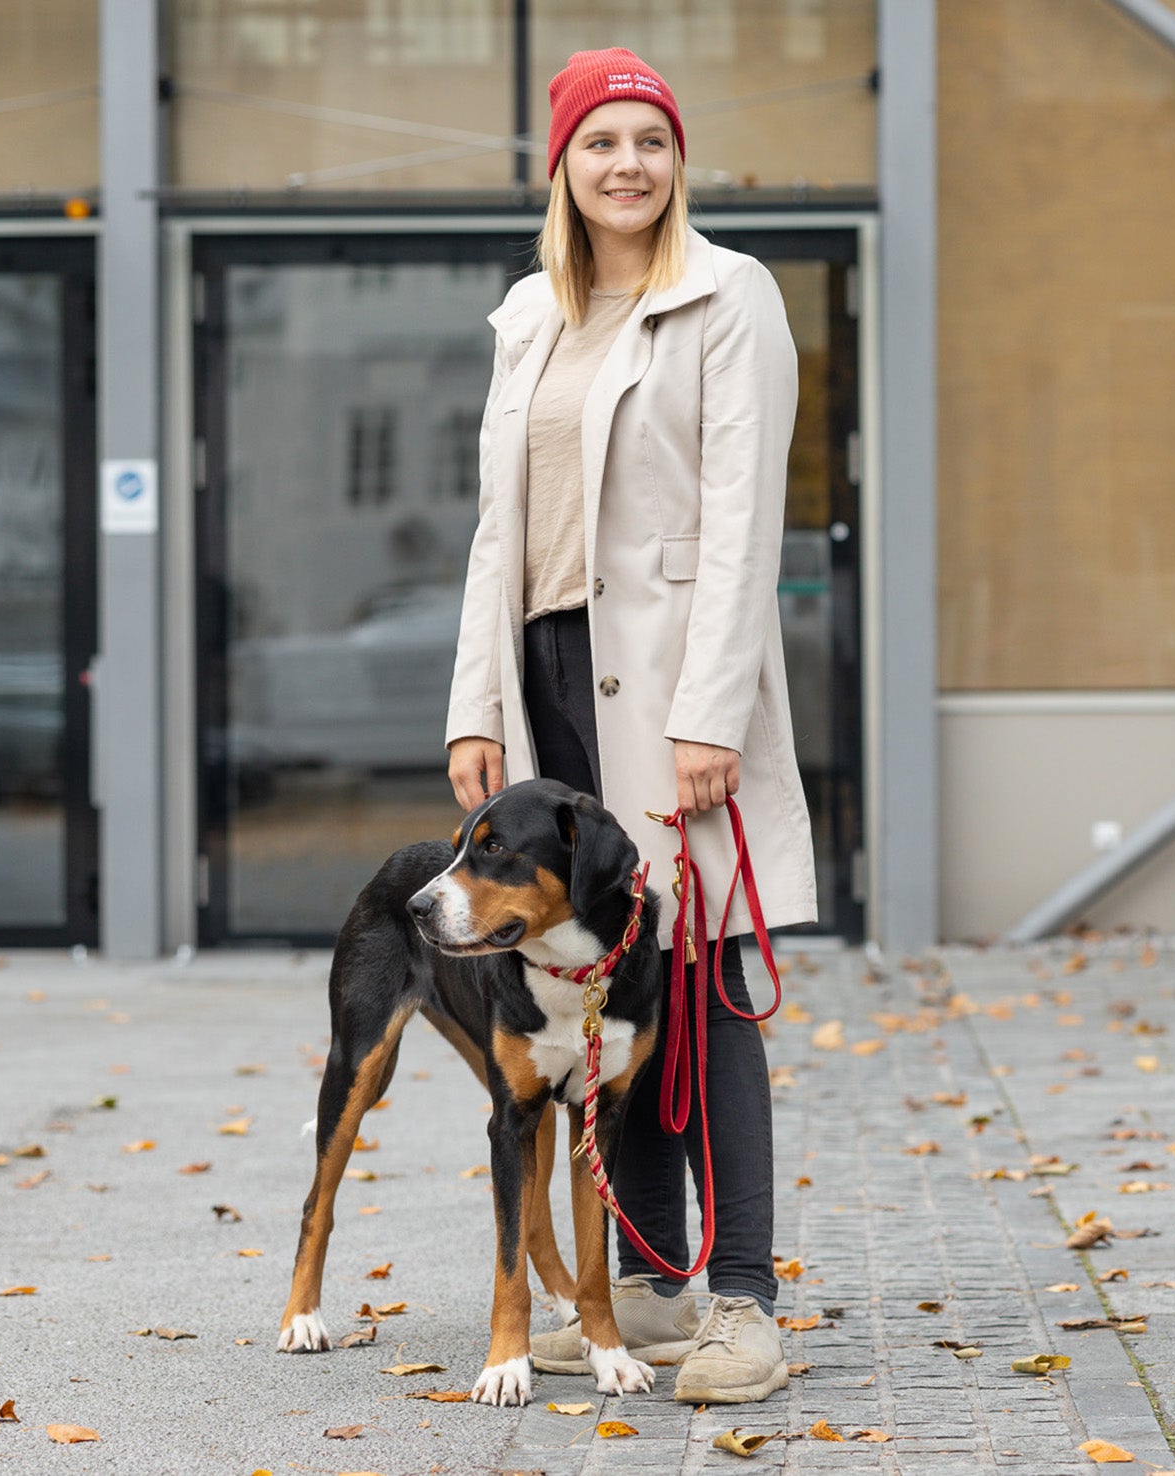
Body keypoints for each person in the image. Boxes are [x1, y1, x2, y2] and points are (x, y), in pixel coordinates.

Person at [445, 47, 817, 1405]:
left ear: (678, 161)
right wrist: (474, 710)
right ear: (564, 163)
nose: (628, 165)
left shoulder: (730, 298)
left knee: (703, 987)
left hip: (671, 688)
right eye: (601, 141)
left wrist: (712, 710)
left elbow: (741, 522)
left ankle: (744, 1303)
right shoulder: (528, 316)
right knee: (607, 988)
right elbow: (500, 532)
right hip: (546, 682)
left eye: (651, 141)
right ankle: (651, 1289)